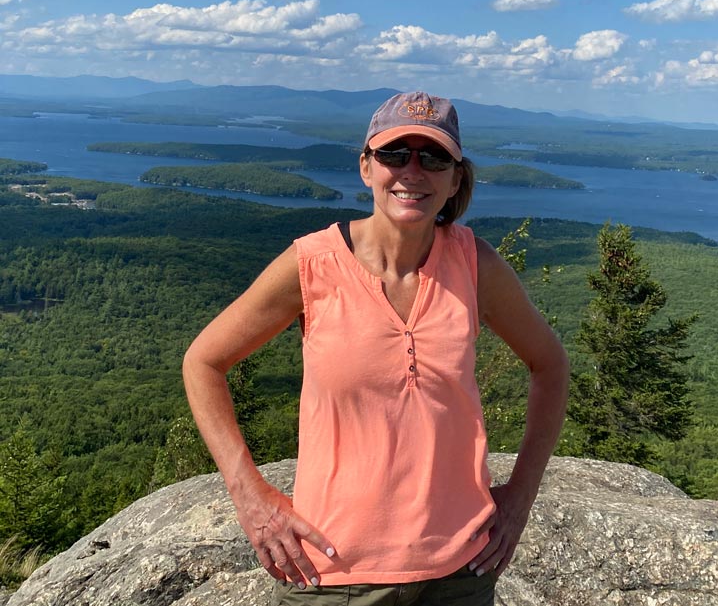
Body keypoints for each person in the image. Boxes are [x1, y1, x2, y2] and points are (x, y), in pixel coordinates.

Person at [183, 90, 569, 604]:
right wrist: (248, 492)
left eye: (433, 157)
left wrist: (520, 497)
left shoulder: (475, 265)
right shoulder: (312, 264)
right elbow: (203, 362)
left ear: (455, 178)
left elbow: (550, 364)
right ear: (366, 167)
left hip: (458, 572)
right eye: (394, 154)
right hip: (332, 571)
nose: (412, 171)